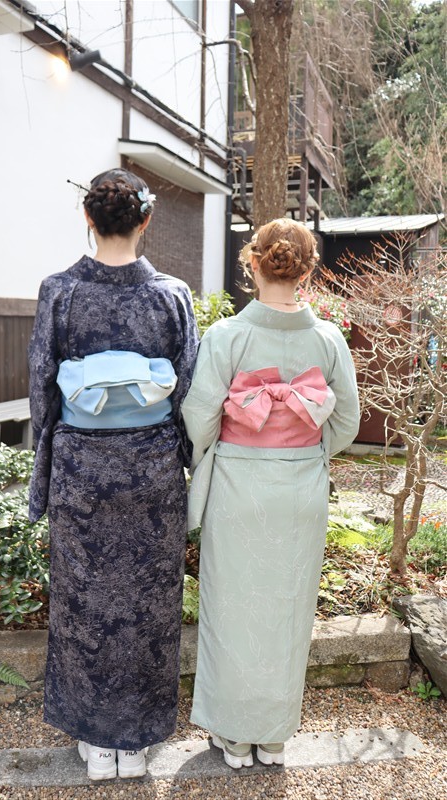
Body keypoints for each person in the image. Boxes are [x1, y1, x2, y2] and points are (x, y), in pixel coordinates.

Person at [28, 168, 199, 781]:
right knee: (148, 604)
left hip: (82, 469)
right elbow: (190, 390)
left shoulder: (60, 291)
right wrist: (183, 458)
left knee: (84, 601)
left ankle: (96, 743)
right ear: (146, 220)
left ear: (89, 218)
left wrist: (46, 469)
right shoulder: (172, 295)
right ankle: (136, 741)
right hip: (152, 470)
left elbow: (43, 389)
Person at [182, 218, 360, 769]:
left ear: (252, 263)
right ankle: (274, 736)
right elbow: (347, 422)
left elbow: (199, 415)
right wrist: (306, 451)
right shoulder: (327, 338)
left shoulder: (227, 336)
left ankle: (234, 735)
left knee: (232, 607)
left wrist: (220, 449)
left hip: (239, 484)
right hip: (300, 490)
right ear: (307, 272)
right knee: (287, 610)